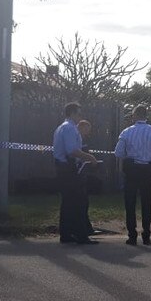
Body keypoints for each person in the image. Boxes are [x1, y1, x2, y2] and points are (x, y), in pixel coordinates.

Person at [114, 105, 151, 246]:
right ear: (146, 116)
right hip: (147, 168)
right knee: (147, 203)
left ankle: (132, 235)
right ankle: (146, 235)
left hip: (132, 168)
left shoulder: (127, 132)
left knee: (130, 202)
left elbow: (118, 152)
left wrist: (128, 155)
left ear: (134, 116)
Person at [52, 102, 98, 245]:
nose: (80, 117)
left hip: (63, 167)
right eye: (78, 114)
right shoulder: (70, 128)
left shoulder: (62, 127)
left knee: (68, 203)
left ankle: (66, 234)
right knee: (77, 202)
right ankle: (81, 235)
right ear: (72, 113)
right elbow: (72, 150)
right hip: (69, 169)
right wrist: (90, 157)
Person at [77, 119, 103, 236]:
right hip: (77, 172)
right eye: (87, 129)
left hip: (82, 171)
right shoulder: (78, 139)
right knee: (82, 201)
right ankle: (85, 228)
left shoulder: (81, 139)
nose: (88, 132)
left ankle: (86, 227)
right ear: (81, 127)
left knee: (84, 201)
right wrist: (90, 158)